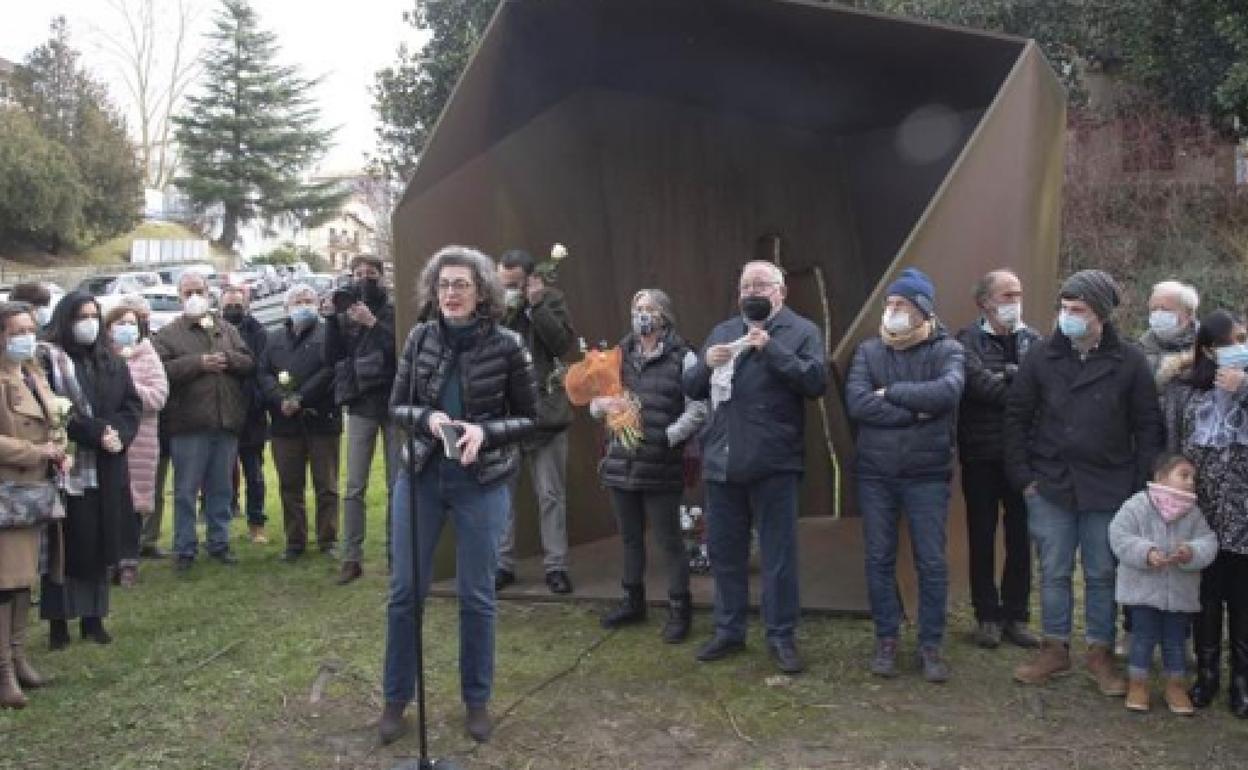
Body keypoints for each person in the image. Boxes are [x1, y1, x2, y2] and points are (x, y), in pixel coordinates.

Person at [380, 245, 538, 745]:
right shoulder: (420, 338)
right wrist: (426, 418)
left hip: (483, 482)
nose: (451, 293)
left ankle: (476, 701)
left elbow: (534, 418)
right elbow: (397, 407)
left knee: (477, 595)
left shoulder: (509, 345)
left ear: (482, 292)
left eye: (461, 285)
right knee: (405, 592)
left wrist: (484, 433)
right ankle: (395, 701)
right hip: (422, 476)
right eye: (444, 284)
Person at [1005, 269, 1163, 695]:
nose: (1067, 316)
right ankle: (1054, 647)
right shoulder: (1041, 356)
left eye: (1078, 310)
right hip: (1050, 483)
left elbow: (1148, 427)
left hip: (1109, 486)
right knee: (1053, 571)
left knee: (1101, 573)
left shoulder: (1129, 361)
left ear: (1101, 315)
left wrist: (1137, 485)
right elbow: (1016, 418)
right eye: (1064, 308)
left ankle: (1100, 652)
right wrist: (1025, 479)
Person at [683, 260, 826, 674]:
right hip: (723, 460)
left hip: (774, 461)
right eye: (745, 285)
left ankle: (781, 635)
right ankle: (729, 630)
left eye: (760, 284)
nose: (751, 291)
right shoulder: (724, 330)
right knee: (725, 552)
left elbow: (815, 382)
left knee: (778, 556)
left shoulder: (801, 331)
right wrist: (705, 363)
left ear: (780, 291)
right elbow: (691, 389)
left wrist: (771, 348)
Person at [846, 268, 964, 682]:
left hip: (927, 473)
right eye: (890, 303)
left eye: (902, 304)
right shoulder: (867, 352)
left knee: (930, 561)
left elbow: (948, 393)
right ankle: (886, 638)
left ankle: (930, 645)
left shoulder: (947, 350)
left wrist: (893, 394)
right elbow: (859, 404)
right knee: (879, 557)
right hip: (876, 473)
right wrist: (918, 411)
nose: (893, 310)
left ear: (922, 310)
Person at [590, 289, 706, 642]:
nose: (642, 315)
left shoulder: (684, 358)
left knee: (669, 540)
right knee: (629, 538)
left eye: (650, 309)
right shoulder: (618, 356)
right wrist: (603, 407)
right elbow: (595, 403)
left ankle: (679, 609)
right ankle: (632, 601)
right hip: (621, 462)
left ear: (664, 316)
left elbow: (698, 408)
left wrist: (668, 437)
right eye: (637, 309)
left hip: (660, 463)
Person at [38, 291, 141, 648]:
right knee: (66, 546)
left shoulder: (109, 360)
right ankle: (58, 624)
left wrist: (120, 433)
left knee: (99, 542)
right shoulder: (50, 360)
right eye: (82, 316)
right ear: (67, 319)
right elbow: (55, 411)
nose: (90, 323)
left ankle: (94, 619)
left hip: (107, 465)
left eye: (94, 316)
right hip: (69, 468)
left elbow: (131, 404)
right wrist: (97, 432)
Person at [1159, 309, 1248, 718]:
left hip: (1244, 510)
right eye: (1234, 340)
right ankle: (1207, 674)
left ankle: (1241, 681)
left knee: (1243, 598)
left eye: (1245, 339)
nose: (1241, 347)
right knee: (1206, 597)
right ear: (1210, 349)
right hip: (1202, 509)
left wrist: (1243, 390)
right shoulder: (1183, 390)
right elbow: (1174, 446)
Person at [954, 270, 1041, 649]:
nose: (1014, 301)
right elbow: (981, 387)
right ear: (985, 302)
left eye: (1018, 294)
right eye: (1007, 295)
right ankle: (986, 615)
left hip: (1024, 457)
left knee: (1022, 538)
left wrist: (1007, 378)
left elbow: (1041, 391)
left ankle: (1016, 615)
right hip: (981, 455)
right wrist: (1017, 380)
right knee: (982, 535)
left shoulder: (1036, 340)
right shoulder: (964, 341)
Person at [153, 272, 255, 571]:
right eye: (188, 292)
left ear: (209, 293)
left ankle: (219, 542)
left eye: (199, 290)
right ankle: (185, 547)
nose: (194, 296)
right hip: (188, 423)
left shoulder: (225, 329)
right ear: (179, 296)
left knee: (221, 487)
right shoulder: (169, 333)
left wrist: (229, 360)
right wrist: (197, 364)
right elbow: (161, 370)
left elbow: (248, 361)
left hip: (225, 420)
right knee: (185, 489)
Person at [1109, 453, 1217, 714]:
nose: (1191, 482)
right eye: (1183, 475)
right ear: (1159, 477)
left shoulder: (1193, 513)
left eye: (1193, 477)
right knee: (1142, 638)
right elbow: (1119, 535)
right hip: (1142, 593)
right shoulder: (1137, 506)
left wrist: (1191, 552)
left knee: (1175, 640)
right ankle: (1138, 683)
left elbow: (1209, 542)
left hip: (1179, 595)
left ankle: (1175, 686)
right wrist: (1146, 553)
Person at [496, 249, 577, 594]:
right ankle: (502, 563)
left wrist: (536, 306)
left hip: (546, 416)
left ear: (531, 279)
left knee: (551, 494)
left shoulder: (552, 302)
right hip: (505, 415)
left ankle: (556, 565)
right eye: (504, 284)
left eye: (514, 284)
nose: (508, 290)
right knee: (501, 496)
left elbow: (561, 345)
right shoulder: (494, 306)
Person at [0, 302, 64, 708]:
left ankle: (19, 654)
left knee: (24, 579)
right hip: (8, 493)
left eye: (31, 328)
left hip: (34, 494)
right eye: (17, 330)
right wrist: (38, 451)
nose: (27, 336)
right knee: (4, 583)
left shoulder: (33, 375)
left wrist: (60, 450)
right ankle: (2, 668)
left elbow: (52, 421)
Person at [325, 255, 397, 584]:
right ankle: (351, 558)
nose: (364, 279)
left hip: (394, 405)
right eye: (358, 274)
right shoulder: (344, 314)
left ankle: (398, 554)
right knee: (354, 486)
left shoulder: (392, 312)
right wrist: (330, 320)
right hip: (360, 406)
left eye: (371, 274)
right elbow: (332, 357)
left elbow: (402, 352)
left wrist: (373, 324)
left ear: (382, 278)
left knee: (398, 484)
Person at [258, 284, 341, 562]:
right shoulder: (273, 339)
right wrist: (280, 399)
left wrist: (301, 398)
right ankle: (295, 541)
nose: (303, 305)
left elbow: (331, 370)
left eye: (308, 300)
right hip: (284, 424)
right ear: (286, 308)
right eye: (297, 301)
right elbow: (264, 373)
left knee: (326, 484)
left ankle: (328, 539)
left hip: (321, 420)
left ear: (317, 305)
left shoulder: (329, 334)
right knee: (290, 484)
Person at [103, 303, 168, 587]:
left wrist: (127, 386)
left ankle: (129, 562)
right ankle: (107, 561)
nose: (127, 329)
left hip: (140, 440)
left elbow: (157, 397)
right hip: (107, 438)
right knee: (107, 502)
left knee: (133, 503)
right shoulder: (100, 357)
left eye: (132, 323)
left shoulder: (148, 354)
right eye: (120, 323)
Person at [220, 286, 269, 544]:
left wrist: (255, 401)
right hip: (222, 413)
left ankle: (256, 522)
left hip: (251, 415)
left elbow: (261, 369)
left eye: (238, 306)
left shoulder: (258, 332)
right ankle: (221, 525)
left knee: (255, 473)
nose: (233, 311)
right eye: (228, 306)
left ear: (247, 305)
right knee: (220, 473)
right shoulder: (213, 330)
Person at [1140, 280, 1200, 379]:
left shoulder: (1210, 346)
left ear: (1189, 313)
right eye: (1154, 309)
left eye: (1165, 309)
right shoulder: (1139, 350)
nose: (1158, 315)